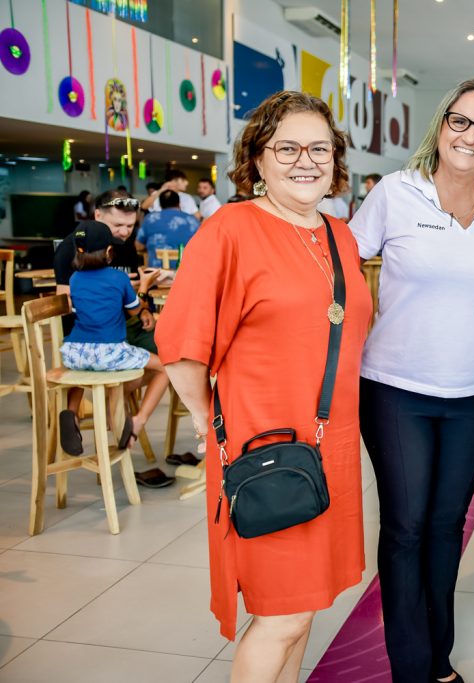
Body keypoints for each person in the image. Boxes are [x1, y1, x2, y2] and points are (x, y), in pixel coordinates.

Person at [155, 91, 371, 683]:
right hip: (265, 447)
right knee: (282, 614)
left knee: (306, 606)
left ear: (335, 159)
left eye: (319, 148)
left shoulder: (340, 235)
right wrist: (208, 418)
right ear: (257, 158)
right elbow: (180, 343)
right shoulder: (231, 229)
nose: (306, 161)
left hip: (329, 447)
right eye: (287, 148)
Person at [348, 76, 474, 683]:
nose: (469, 136)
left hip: (471, 395)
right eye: (459, 121)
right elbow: (339, 266)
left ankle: (438, 660)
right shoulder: (396, 192)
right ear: (441, 126)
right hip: (395, 390)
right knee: (406, 528)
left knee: (447, 528)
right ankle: (410, 668)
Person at [54, 190, 163, 461]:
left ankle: (104, 404)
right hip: (109, 339)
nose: (124, 232)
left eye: (130, 226)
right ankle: (119, 409)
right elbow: (64, 304)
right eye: (118, 225)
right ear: (98, 216)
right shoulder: (70, 247)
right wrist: (136, 291)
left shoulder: (84, 271)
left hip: (79, 348)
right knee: (165, 365)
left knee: (172, 347)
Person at [136, 189, 200, 267]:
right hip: (186, 270)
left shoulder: (151, 218)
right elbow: (201, 247)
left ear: (160, 205)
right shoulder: (192, 220)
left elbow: (138, 246)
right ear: (179, 203)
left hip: (157, 272)